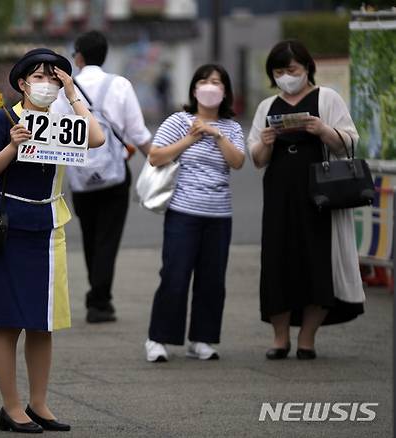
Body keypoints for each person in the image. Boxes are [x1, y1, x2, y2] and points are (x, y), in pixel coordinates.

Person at [0, 48, 104, 433]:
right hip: (10, 225)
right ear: (21, 83)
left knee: (42, 322)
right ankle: (11, 407)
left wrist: (72, 93)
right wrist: (13, 146)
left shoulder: (67, 119)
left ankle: (39, 403)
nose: (47, 84)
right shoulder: (4, 119)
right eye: (39, 77)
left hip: (50, 227)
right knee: (7, 320)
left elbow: (97, 139)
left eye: (54, 77)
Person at [248, 40, 364, 360]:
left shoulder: (327, 98)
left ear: (307, 67)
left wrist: (321, 129)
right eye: (279, 71)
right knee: (277, 261)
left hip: (319, 194)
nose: (286, 76)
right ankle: (280, 338)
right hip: (279, 193)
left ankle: (307, 339)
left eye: (292, 70)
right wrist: (267, 142)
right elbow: (256, 158)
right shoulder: (267, 106)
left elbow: (348, 142)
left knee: (316, 260)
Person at [144, 64, 245, 362]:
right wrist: (190, 137)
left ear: (225, 91)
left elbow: (238, 162)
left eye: (217, 82)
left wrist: (215, 134)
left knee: (212, 279)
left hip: (219, 214)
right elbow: (155, 156)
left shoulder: (232, 127)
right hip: (183, 212)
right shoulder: (179, 120)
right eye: (204, 81)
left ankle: (202, 339)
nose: (210, 86)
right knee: (174, 275)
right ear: (194, 88)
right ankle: (158, 339)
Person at [52, 30, 152, 323]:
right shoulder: (120, 85)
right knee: (108, 239)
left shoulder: (63, 91)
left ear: (79, 57)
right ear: (105, 55)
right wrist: (157, 161)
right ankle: (99, 301)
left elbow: (56, 132)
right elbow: (138, 133)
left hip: (80, 177)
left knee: (91, 237)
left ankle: (97, 295)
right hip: (115, 176)